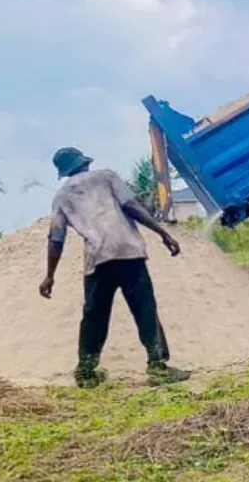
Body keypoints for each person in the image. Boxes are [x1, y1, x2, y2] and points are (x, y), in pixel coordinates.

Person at [38, 147, 189, 388]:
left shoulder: (62, 196)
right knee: (145, 310)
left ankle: (86, 372)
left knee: (94, 317)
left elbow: (56, 238)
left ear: (64, 172)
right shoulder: (106, 177)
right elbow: (132, 207)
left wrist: (49, 276)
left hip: (98, 260)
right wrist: (162, 233)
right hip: (129, 253)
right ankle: (158, 366)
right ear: (85, 163)